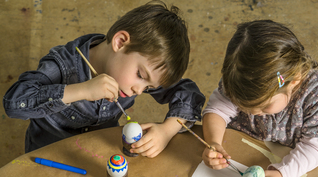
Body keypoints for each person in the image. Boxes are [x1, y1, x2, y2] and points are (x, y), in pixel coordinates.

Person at [3, 1, 205, 157]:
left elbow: (189, 94)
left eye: (149, 86)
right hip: (47, 159)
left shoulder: (135, 77)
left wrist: (167, 131)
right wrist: (82, 91)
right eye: (141, 76)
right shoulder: (63, 64)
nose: (139, 90)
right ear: (120, 42)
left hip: (98, 156)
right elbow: (14, 103)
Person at [202, 20, 318, 177]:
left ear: (294, 81)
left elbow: (314, 146)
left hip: (288, 158)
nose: (253, 113)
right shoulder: (240, 76)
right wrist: (213, 141)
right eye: (244, 107)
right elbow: (218, 108)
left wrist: (283, 175)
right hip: (240, 146)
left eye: (264, 106)